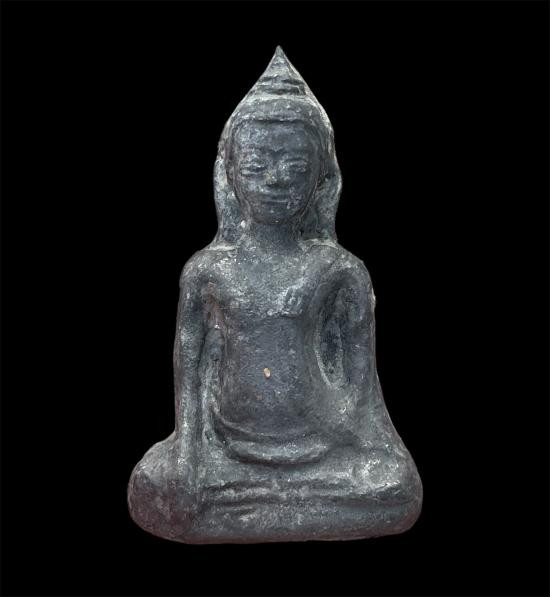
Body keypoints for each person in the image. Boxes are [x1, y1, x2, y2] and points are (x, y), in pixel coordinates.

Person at [128, 47, 422, 543]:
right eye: (256, 164)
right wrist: (188, 453)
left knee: (395, 486)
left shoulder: (341, 270)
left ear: (321, 177)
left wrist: (364, 440)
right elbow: (191, 363)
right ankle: (253, 496)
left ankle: (255, 503)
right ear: (229, 173)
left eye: (295, 165)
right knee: (157, 485)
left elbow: (362, 388)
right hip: (229, 444)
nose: (276, 179)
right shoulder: (207, 270)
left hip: (322, 443)